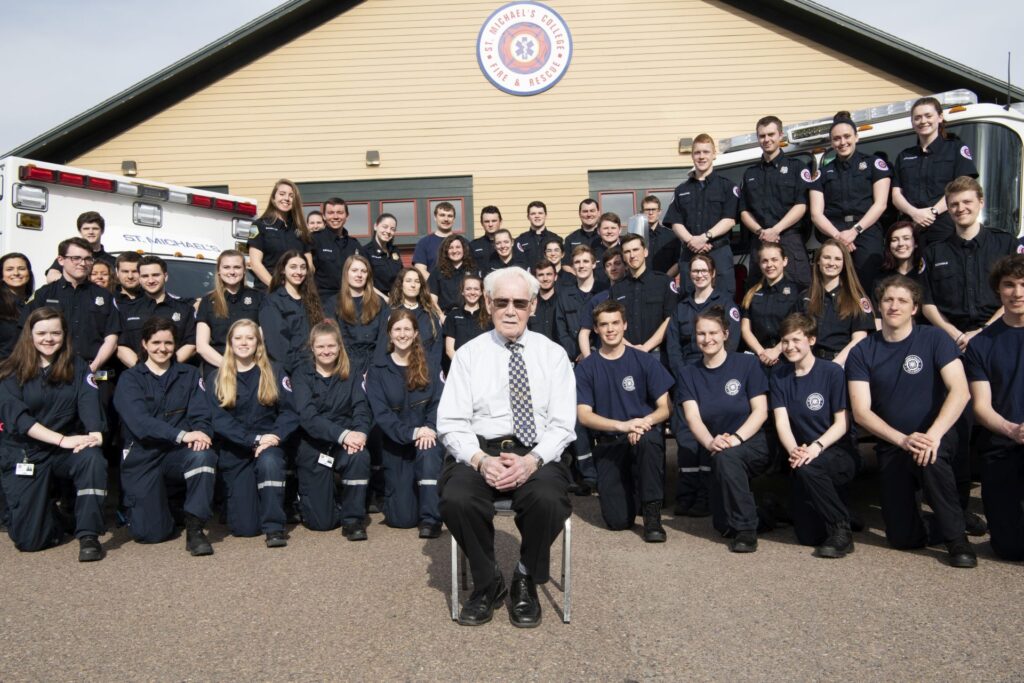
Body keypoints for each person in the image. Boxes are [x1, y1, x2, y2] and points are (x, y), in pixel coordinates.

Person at [438, 267, 575, 628]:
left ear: (533, 305)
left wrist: (532, 461)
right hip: (481, 451)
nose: (510, 310)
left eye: (519, 302)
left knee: (549, 499)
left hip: (536, 452)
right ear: (487, 303)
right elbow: (451, 423)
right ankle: (488, 582)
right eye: (501, 302)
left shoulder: (554, 355)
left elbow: (563, 425)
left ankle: (524, 577)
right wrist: (481, 461)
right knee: (456, 498)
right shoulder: (468, 356)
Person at [846, 275, 976, 567]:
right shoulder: (862, 352)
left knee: (929, 459)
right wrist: (903, 439)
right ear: (879, 306)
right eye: (888, 300)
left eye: (903, 300)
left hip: (937, 435)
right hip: (894, 442)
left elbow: (960, 390)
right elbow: (861, 412)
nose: (894, 306)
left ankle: (957, 540)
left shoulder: (934, 338)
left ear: (915, 307)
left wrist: (933, 435)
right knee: (901, 538)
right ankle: (947, 520)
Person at [920, 176, 1013, 536]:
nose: (960, 209)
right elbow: (926, 303)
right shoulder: (935, 251)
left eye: (966, 202)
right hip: (951, 343)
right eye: (954, 204)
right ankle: (958, 510)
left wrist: (980, 332)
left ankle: (1004, 504)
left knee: (1001, 421)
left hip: (996, 336)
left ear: (980, 202)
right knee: (958, 430)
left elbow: (1012, 293)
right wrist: (956, 335)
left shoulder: (1004, 243)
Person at [0, 308, 107, 559]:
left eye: (55, 333)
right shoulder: (9, 370)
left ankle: (89, 534)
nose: (49, 339)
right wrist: (62, 439)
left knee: (92, 458)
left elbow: (88, 401)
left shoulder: (77, 366)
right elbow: (21, 420)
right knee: (29, 541)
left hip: (64, 451)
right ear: (30, 335)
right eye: (42, 333)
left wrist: (95, 435)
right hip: (25, 452)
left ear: (64, 335)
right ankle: (54, 516)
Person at [113, 317, 216, 555]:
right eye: (156, 342)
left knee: (203, 457)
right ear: (145, 344)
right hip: (143, 455)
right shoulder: (130, 379)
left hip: (177, 454)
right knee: (150, 534)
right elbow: (141, 423)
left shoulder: (189, 375)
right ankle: (165, 509)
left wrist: (201, 433)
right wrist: (182, 434)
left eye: (168, 343)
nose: (162, 348)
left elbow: (202, 413)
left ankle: (195, 529)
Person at [575, 300, 673, 541]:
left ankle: (652, 517)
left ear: (624, 325)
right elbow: (583, 415)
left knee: (649, 443)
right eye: (604, 325)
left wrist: (642, 423)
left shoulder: (644, 360)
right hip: (609, 442)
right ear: (596, 329)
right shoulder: (587, 368)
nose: (610, 329)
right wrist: (622, 426)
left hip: (642, 433)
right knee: (618, 521)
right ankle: (631, 490)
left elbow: (665, 408)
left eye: (615, 323)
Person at [678, 307, 772, 552]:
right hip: (716, 447)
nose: (707, 339)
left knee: (727, 458)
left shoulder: (747, 364)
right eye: (701, 334)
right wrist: (710, 442)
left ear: (725, 334)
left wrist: (736, 439)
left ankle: (746, 530)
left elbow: (760, 411)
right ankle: (764, 512)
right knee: (722, 526)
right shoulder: (689, 373)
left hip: (751, 443)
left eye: (713, 332)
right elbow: (693, 417)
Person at [771, 313, 858, 557]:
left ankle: (842, 529)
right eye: (785, 341)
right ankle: (842, 512)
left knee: (809, 468)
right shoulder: (779, 376)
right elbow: (782, 422)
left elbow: (842, 423)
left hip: (836, 453)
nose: (790, 347)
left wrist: (815, 448)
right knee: (809, 536)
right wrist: (794, 451)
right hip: (802, 458)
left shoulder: (831, 372)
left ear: (811, 340)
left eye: (796, 340)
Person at [206, 320, 299, 547]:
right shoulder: (216, 378)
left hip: (269, 445)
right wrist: (252, 439)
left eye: (250, 338)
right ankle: (241, 506)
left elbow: (290, 412)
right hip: (236, 451)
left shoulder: (274, 371)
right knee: (245, 529)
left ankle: (275, 528)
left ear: (258, 342)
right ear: (230, 342)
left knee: (270, 464)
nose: (244, 342)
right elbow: (219, 420)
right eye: (238, 338)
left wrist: (274, 436)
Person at [665, 255, 740, 516]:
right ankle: (687, 493)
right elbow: (672, 345)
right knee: (685, 434)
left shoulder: (724, 304)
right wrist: (683, 374)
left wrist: (713, 369)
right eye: (694, 271)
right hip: (687, 374)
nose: (698, 275)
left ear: (713, 273)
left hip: (715, 375)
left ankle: (707, 494)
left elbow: (732, 342)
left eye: (703, 270)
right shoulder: (681, 307)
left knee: (710, 430)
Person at [964, 255, 1024, 560]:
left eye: (1023, 285)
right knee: (1010, 548)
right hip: (1002, 443)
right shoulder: (981, 344)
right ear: (998, 290)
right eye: (1009, 285)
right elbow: (982, 408)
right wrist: (1013, 430)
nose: (1017, 293)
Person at [366, 309, 444, 537]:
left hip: (427, 439)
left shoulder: (431, 364)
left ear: (415, 333)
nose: (402, 334)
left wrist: (428, 428)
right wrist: (412, 432)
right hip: (396, 443)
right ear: (390, 335)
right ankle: (416, 502)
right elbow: (382, 415)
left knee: (428, 454)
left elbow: (439, 403)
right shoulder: (377, 370)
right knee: (401, 520)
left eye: (406, 329)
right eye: (397, 329)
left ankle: (431, 519)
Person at [292, 321, 372, 539]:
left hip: (347, 442)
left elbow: (361, 408)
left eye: (331, 346)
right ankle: (313, 500)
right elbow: (308, 417)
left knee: (359, 457)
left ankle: (353, 519)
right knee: (321, 523)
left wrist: (361, 433)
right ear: (312, 348)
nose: (326, 351)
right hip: (314, 444)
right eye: (320, 347)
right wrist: (343, 434)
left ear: (339, 347)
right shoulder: (301, 375)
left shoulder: (352, 372)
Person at [809, 112, 892, 294]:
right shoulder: (823, 173)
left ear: (856, 137)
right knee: (837, 288)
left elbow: (880, 204)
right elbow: (816, 213)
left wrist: (854, 231)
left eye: (847, 136)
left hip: (866, 231)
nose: (842, 142)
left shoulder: (873, 164)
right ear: (831, 143)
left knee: (870, 286)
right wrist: (839, 237)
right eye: (836, 139)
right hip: (834, 234)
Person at [739, 115, 815, 288]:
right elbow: (744, 212)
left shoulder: (797, 167)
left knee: (798, 293)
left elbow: (801, 205)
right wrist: (761, 232)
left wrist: (776, 230)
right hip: (760, 241)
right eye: (762, 136)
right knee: (757, 293)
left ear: (780, 135)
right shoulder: (750, 174)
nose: (767, 139)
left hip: (789, 240)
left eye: (771, 134)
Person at [891, 96, 979, 246]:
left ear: (940, 117)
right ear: (912, 123)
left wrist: (933, 212)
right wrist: (914, 213)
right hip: (911, 230)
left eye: (928, 115)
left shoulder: (955, 148)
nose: (923, 121)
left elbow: (963, 189)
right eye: (917, 118)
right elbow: (896, 195)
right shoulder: (904, 156)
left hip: (945, 226)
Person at [24, 237, 119, 374]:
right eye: (76, 258)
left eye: (88, 259)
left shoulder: (104, 296)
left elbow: (112, 337)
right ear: (61, 260)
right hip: (51, 372)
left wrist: (93, 368)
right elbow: (26, 332)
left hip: (94, 373)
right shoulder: (44, 294)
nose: (82, 263)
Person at [666, 134, 739, 295]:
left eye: (706, 152)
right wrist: (692, 241)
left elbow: (730, 219)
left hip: (718, 253)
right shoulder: (681, 190)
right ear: (692, 156)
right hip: (689, 253)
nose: (701, 156)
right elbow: (675, 221)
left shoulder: (727, 186)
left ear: (714, 154)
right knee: (689, 300)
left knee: (722, 302)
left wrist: (704, 237)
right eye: (697, 152)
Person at [800, 239, 874, 366]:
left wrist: (834, 365)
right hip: (809, 363)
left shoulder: (857, 298)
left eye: (838, 259)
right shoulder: (804, 296)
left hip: (842, 365)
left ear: (845, 263)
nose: (831, 263)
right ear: (818, 260)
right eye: (827, 257)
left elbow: (859, 339)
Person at [115, 255, 197, 368]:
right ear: (139, 278)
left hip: (176, 377)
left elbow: (191, 345)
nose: (150, 280)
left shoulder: (184, 308)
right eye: (145, 276)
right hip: (138, 378)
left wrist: (168, 368)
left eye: (155, 275)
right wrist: (142, 371)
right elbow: (121, 346)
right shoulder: (127, 309)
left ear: (165, 276)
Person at [196, 249, 264, 370]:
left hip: (252, 367)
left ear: (244, 270)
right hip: (218, 367)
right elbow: (202, 346)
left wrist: (248, 367)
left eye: (237, 267)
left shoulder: (259, 298)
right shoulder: (207, 301)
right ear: (219, 271)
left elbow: (263, 340)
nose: (232, 272)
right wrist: (228, 366)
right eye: (226, 267)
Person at [259, 250, 325, 374]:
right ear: (283, 270)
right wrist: (296, 369)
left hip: (314, 365)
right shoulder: (273, 301)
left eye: (303, 267)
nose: (299, 272)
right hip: (288, 369)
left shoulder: (311, 299)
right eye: (293, 267)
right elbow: (277, 346)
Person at [611, 233, 676, 354]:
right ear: (623, 257)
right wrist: (630, 347)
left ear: (645, 252)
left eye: (636, 250)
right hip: (626, 352)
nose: (632, 255)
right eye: (627, 252)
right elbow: (613, 322)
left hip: (657, 354)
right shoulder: (617, 289)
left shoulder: (663, 282)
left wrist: (646, 347)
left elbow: (670, 319)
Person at [741, 243, 802, 369]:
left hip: (787, 358)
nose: (769, 265)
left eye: (774, 260)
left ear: (784, 261)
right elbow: (745, 329)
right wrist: (761, 353)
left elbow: (799, 327)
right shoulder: (752, 294)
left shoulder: (797, 291)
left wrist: (776, 351)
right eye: (765, 261)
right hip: (758, 358)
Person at [247, 179, 313, 291]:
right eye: (282, 194)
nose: (286, 199)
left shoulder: (301, 229)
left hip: (296, 292)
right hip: (268, 292)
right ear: (273, 198)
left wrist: (296, 287)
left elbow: (310, 266)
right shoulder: (258, 225)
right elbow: (255, 263)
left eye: (291, 196)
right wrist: (277, 288)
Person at [329, 254, 388, 378]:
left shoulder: (379, 303)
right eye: (354, 270)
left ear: (368, 275)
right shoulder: (333, 303)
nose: (359, 275)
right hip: (344, 365)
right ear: (346, 273)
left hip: (375, 364)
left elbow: (384, 338)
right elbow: (332, 338)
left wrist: (374, 368)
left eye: (363, 271)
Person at [554, 245, 607, 361]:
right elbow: (561, 330)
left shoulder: (605, 292)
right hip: (573, 358)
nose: (581, 265)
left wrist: (591, 351)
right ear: (573, 266)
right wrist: (576, 353)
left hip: (602, 355)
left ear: (594, 264)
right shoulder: (564, 295)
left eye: (586, 261)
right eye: (577, 262)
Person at [311, 197, 362, 306]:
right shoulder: (314, 240)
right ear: (324, 216)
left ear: (347, 216)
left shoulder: (354, 245)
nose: (335, 216)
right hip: (323, 302)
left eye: (340, 212)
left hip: (351, 302)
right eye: (330, 213)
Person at [387, 267, 442, 367]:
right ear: (401, 285)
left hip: (426, 368)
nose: (413, 285)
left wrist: (431, 366)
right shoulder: (391, 313)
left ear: (421, 286)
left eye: (417, 281)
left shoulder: (430, 313)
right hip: (397, 369)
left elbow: (438, 344)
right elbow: (385, 345)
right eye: (408, 281)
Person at [578, 246, 626, 359]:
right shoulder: (598, 299)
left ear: (625, 266)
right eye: (608, 265)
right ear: (604, 270)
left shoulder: (635, 294)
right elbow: (584, 333)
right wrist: (589, 361)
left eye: (617, 263)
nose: (613, 268)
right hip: (605, 356)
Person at [44, 211, 116, 283]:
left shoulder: (113, 261)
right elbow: (51, 277)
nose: (91, 232)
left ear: (102, 231)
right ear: (80, 231)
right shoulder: (69, 256)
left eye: (95, 228)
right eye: (86, 229)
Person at [443, 274, 492, 360]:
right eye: (468, 289)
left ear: (481, 292)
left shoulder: (489, 316)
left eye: (476, 289)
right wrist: (462, 367)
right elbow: (449, 350)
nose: (472, 292)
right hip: (460, 367)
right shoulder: (453, 315)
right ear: (462, 291)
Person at [429, 234, 478, 314]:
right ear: (446, 251)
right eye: (451, 248)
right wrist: (441, 316)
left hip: (470, 314)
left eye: (458, 247)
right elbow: (432, 299)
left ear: (464, 249)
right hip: (446, 316)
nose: (454, 251)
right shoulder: (437, 271)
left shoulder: (473, 270)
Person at [0, 253, 33, 359]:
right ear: (2, 275)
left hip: (31, 369)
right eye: (9, 269)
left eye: (21, 268)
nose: (16, 273)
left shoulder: (37, 302)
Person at [413, 201, 457, 278]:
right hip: (433, 289)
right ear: (435, 217)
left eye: (450, 216)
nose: (446, 219)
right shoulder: (424, 243)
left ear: (454, 219)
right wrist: (437, 285)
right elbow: (420, 270)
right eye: (442, 215)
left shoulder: (463, 242)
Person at [514, 201, 563, 269]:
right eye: (533, 213)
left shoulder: (556, 239)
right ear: (528, 217)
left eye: (540, 213)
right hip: (528, 279)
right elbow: (518, 265)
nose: (537, 216)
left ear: (545, 216)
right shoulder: (520, 241)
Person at [364, 213, 403, 297]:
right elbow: (365, 282)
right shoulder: (366, 251)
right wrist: (384, 298)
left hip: (396, 299)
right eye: (385, 227)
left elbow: (401, 276)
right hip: (375, 300)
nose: (388, 231)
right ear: (375, 226)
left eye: (392, 229)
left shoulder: (395, 251)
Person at [561, 198, 601, 276]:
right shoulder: (571, 239)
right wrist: (581, 277)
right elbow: (565, 265)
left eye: (592, 211)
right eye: (585, 211)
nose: (589, 215)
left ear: (598, 213)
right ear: (579, 214)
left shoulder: (605, 237)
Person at [527, 260, 560, 343]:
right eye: (541, 275)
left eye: (549, 274)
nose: (545, 279)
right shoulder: (528, 304)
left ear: (555, 277)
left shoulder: (563, 302)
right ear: (535, 278)